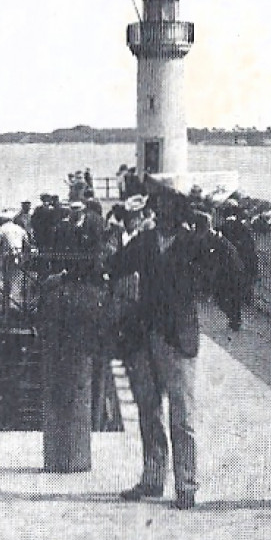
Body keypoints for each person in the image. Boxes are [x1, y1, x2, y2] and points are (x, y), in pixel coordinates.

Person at [108, 185, 245, 508]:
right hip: (145, 335)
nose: (164, 212)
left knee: (182, 417)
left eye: (170, 207)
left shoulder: (194, 243)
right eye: (160, 206)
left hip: (179, 339)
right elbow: (116, 266)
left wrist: (213, 235)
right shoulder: (145, 242)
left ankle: (186, 486)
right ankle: (153, 479)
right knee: (149, 411)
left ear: (180, 211)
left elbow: (235, 266)